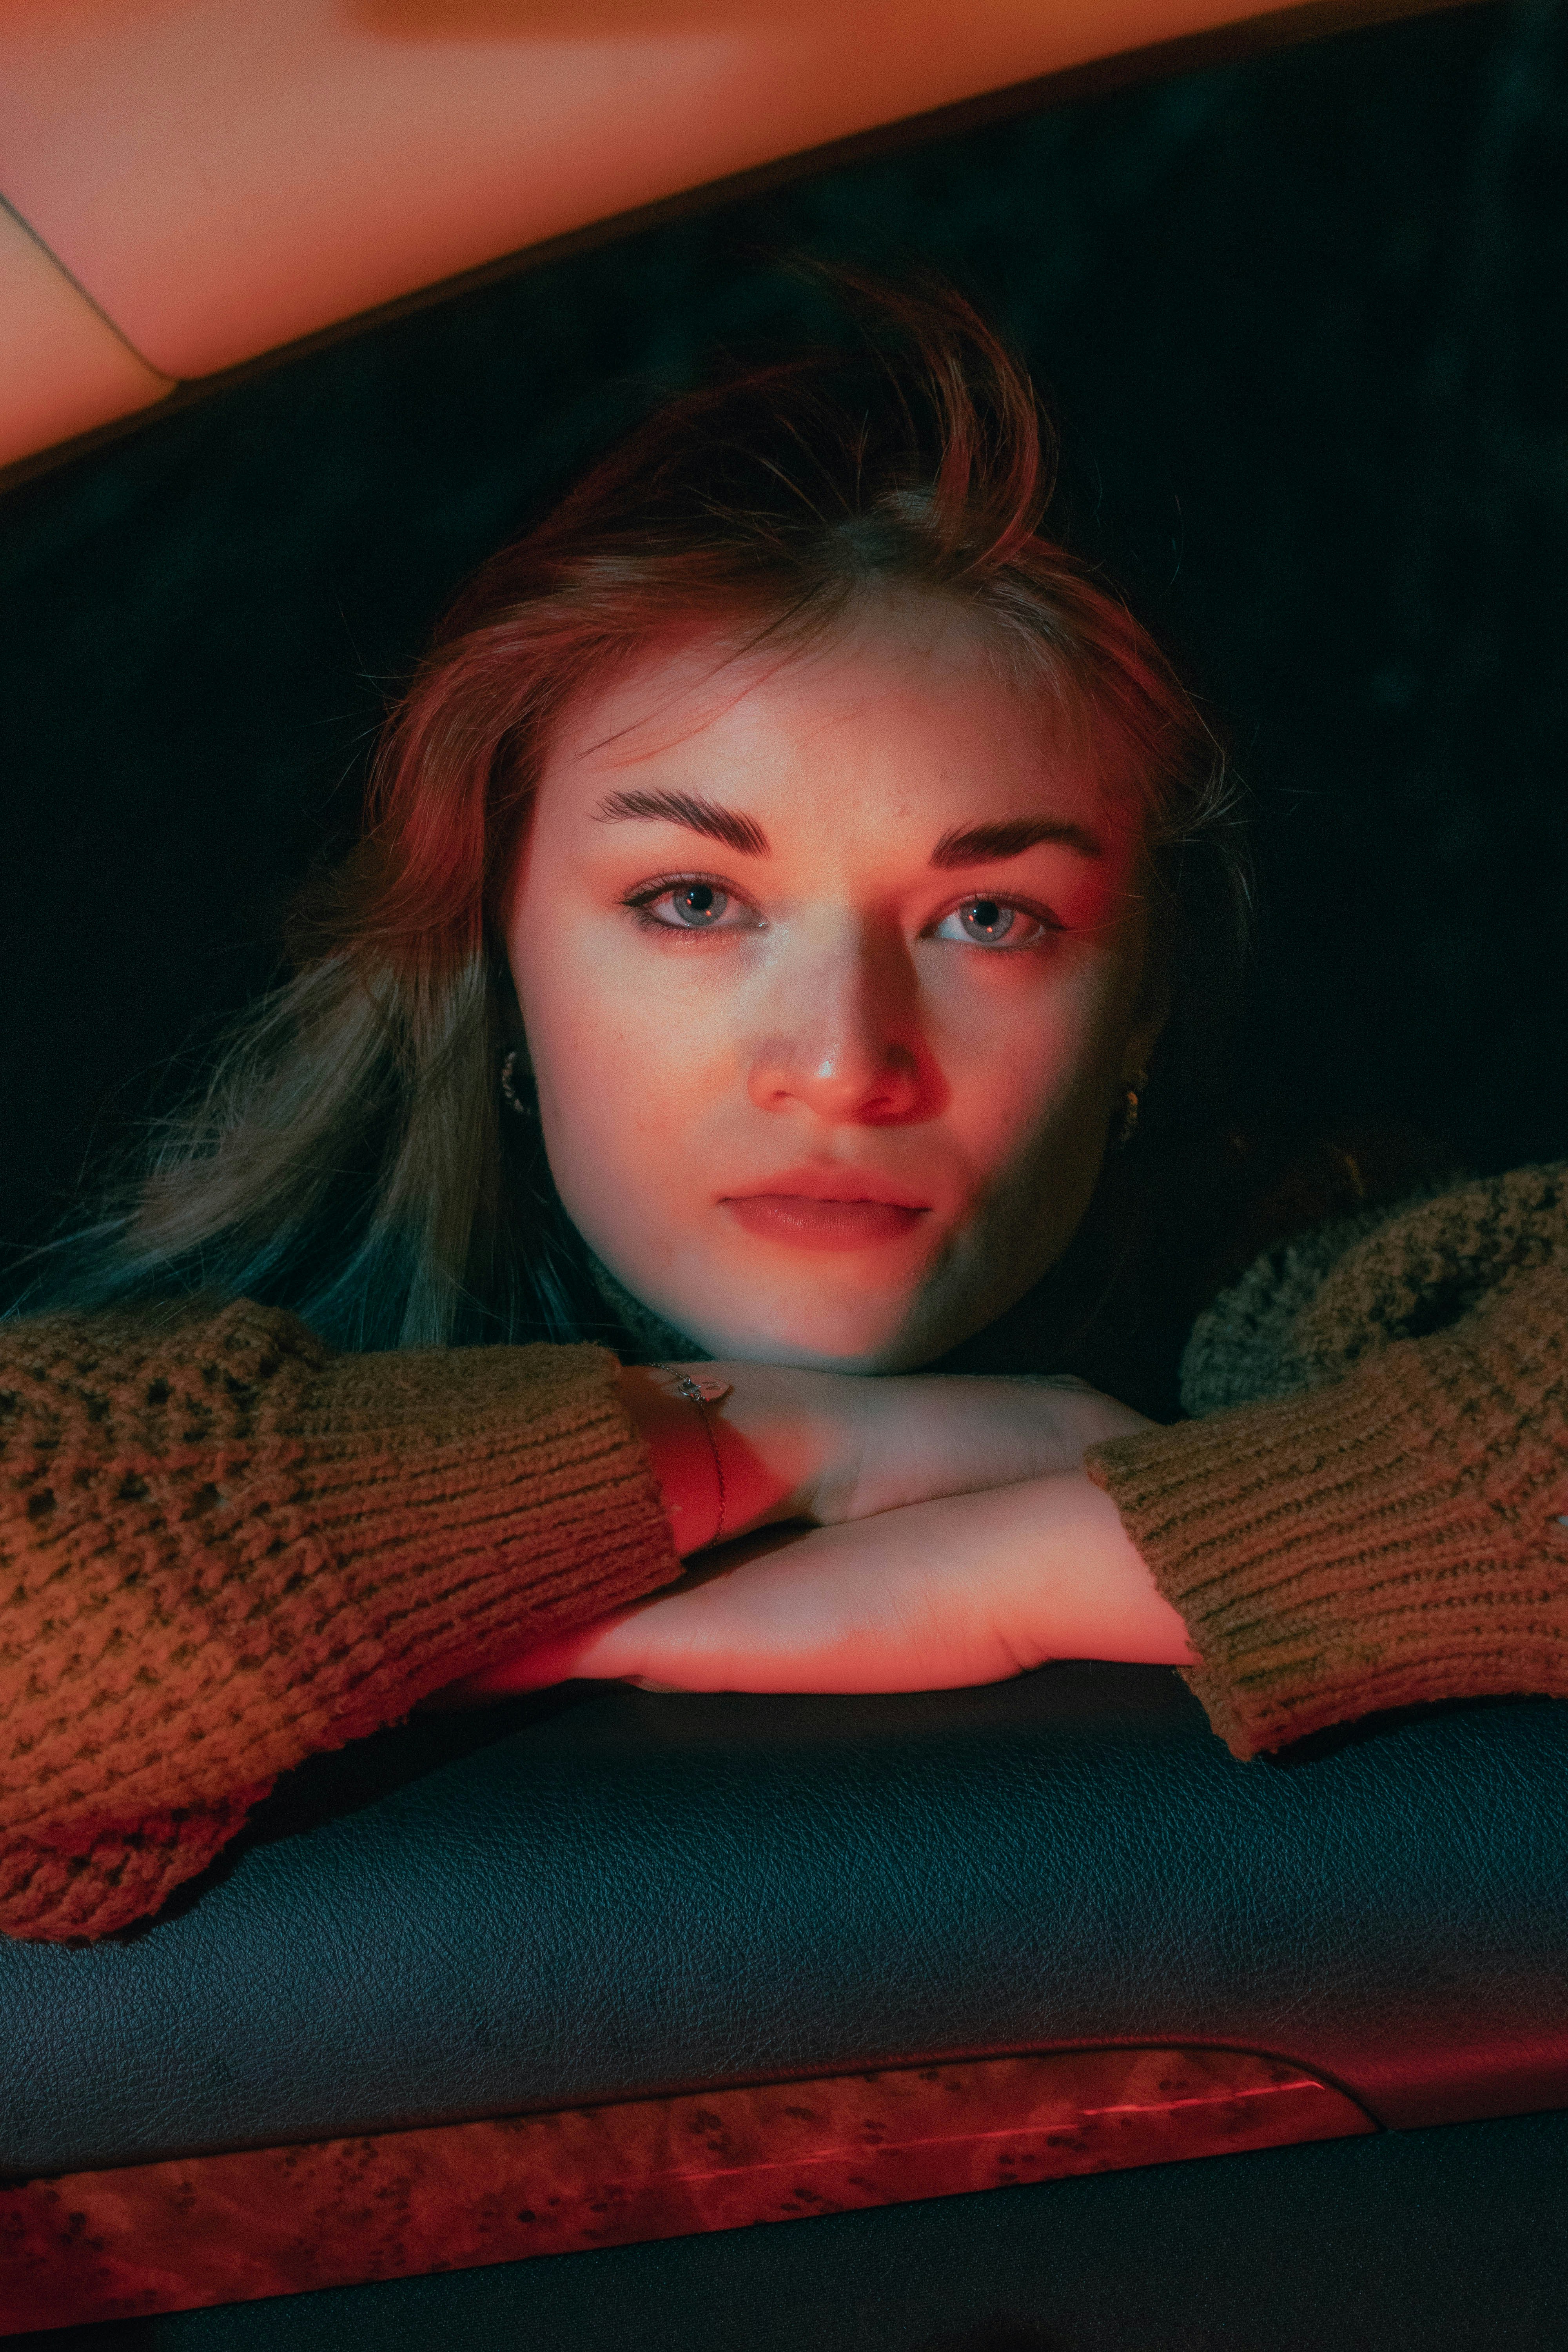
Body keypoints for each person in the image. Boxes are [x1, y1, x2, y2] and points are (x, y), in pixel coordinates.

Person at [4, 285, 1563, 1946]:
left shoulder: (1286, 1302)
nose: (841, 1064)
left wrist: (1025, 1563)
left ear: (1142, 1007)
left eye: (989, 920)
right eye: (692, 900)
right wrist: (759, 1442)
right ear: (495, 962)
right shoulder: (230, 1371)